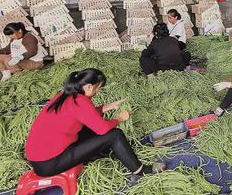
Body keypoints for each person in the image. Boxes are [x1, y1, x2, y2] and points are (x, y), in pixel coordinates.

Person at [25, 69, 165, 177]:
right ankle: (139, 170)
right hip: (50, 163)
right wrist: (120, 118)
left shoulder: (66, 94)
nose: (97, 92)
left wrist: (106, 107)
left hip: (40, 159)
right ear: (89, 87)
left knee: (89, 128)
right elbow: (103, 129)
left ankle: (104, 150)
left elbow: (83, 116)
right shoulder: (80, 101)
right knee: (114, 134)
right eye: (98, 88)